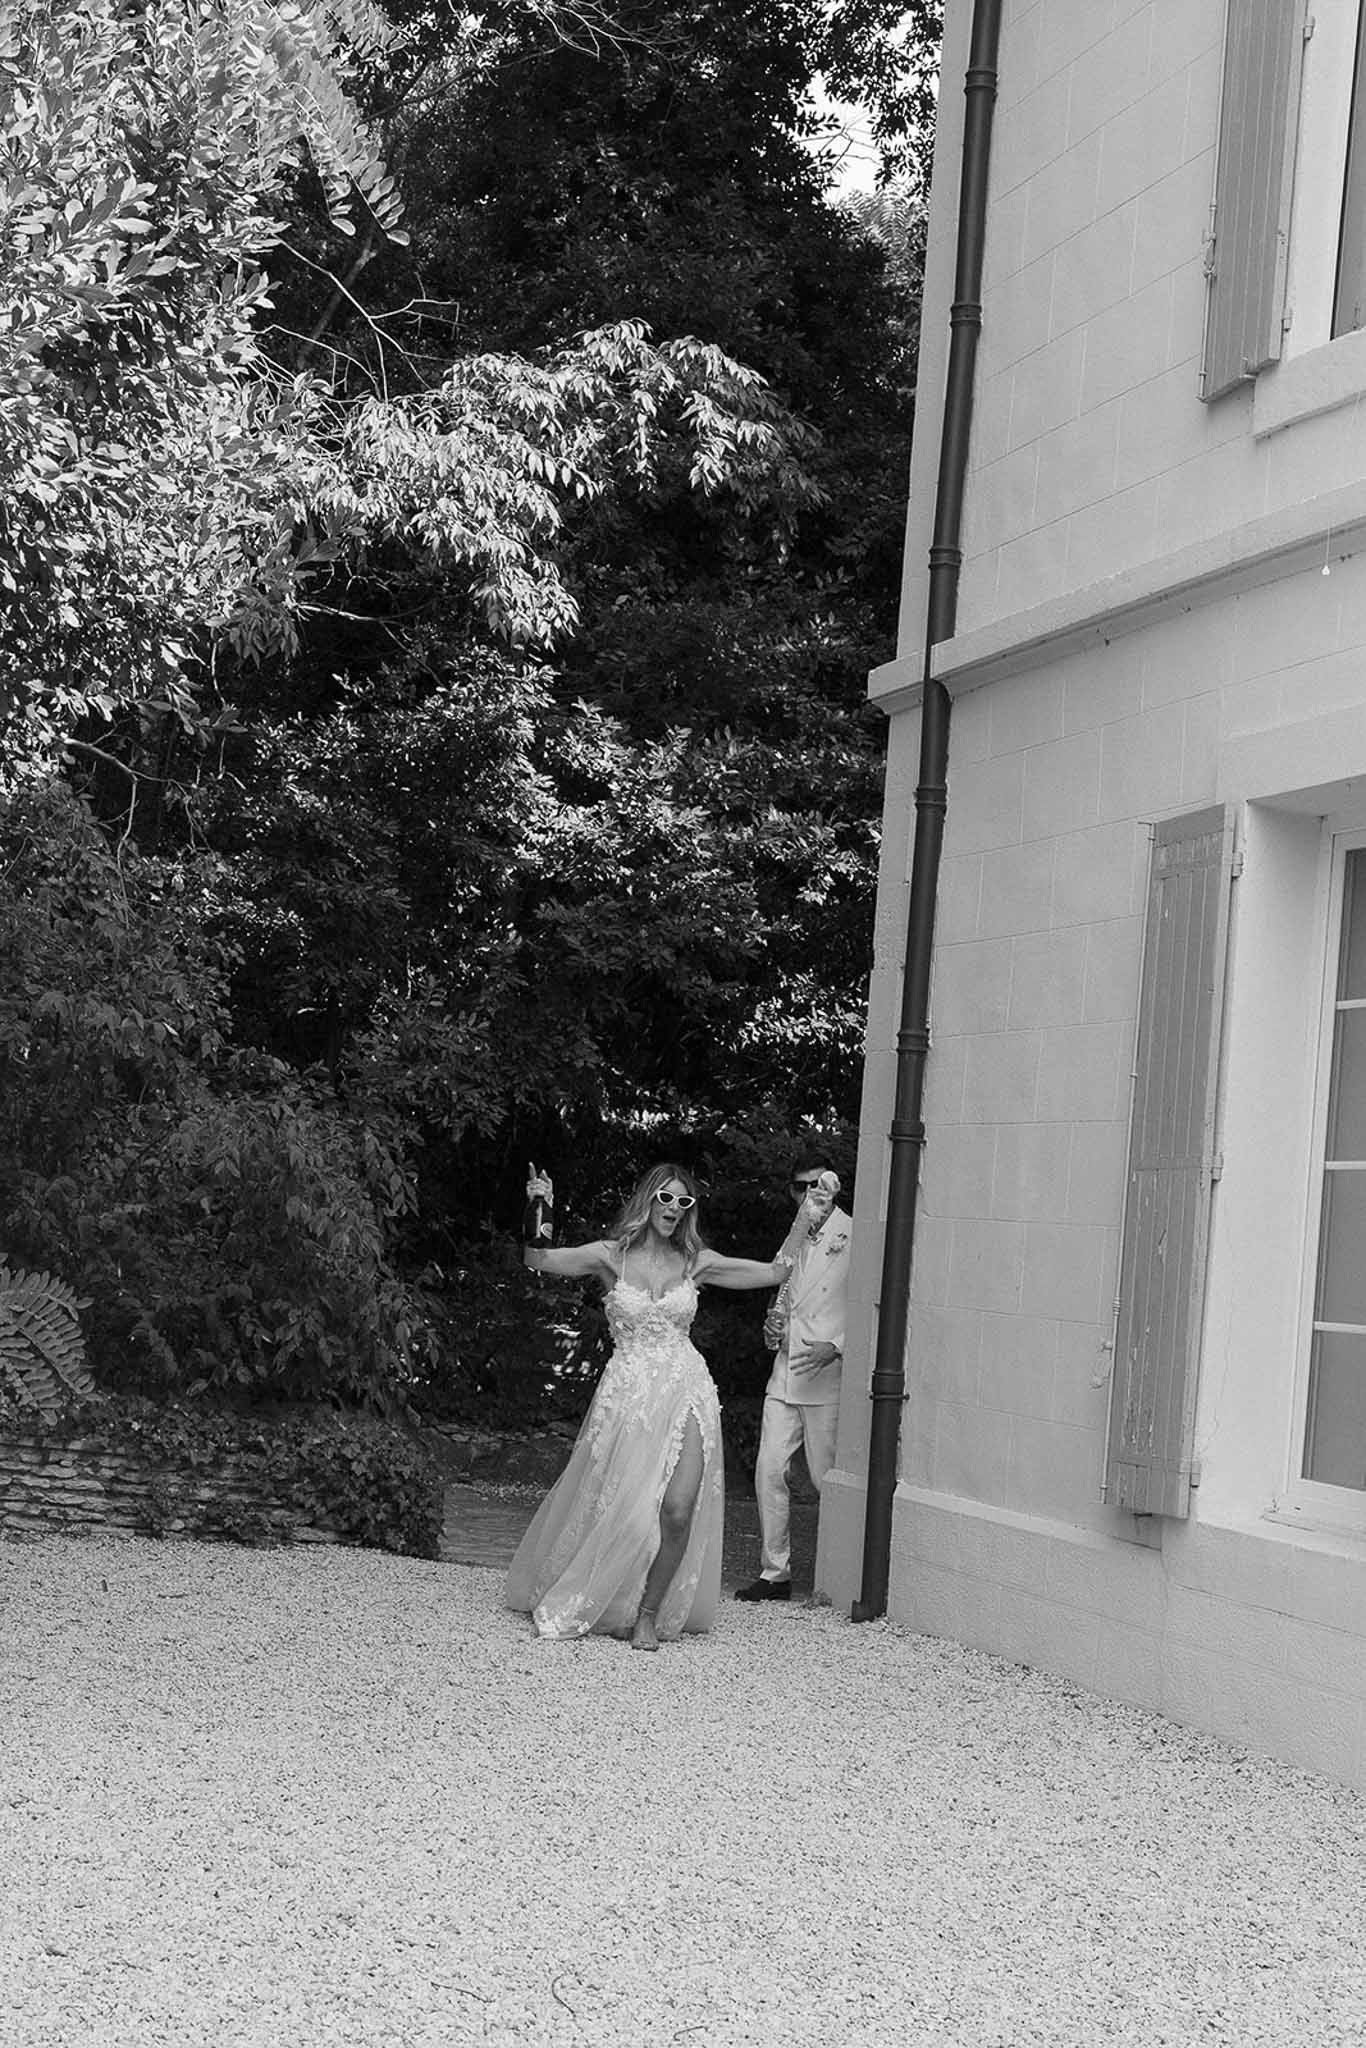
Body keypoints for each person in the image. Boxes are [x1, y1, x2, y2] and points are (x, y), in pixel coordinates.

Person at [504, 1161, 823, 1651]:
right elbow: (538, 1258)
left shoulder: (698, 1262)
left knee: (677, 1509)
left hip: (686, 1388)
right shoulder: (609, 1257)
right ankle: (603, 1593)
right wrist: (538, 1203)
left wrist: (808, 1217)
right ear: (648, 1200)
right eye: (666, 1198)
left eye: (684, 1201)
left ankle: (649, 1614)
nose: (674, 1208)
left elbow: (777, 1272)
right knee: (628, 1511)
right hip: (628, 1393)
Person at [734, 1158, 852, 1603]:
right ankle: (775, 1571)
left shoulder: (854, 1233)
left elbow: (873, 1304)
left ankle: (840, 1574)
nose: (809, 1196)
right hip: (785, 1372)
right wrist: (775, 1323)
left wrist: (837, 1344)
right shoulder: (795, 1235)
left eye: (815, 1187)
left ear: (831, 1189)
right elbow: (784, 1289)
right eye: (800, 1188)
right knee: (768, 1470)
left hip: (826, 1374)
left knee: (826, 1478)